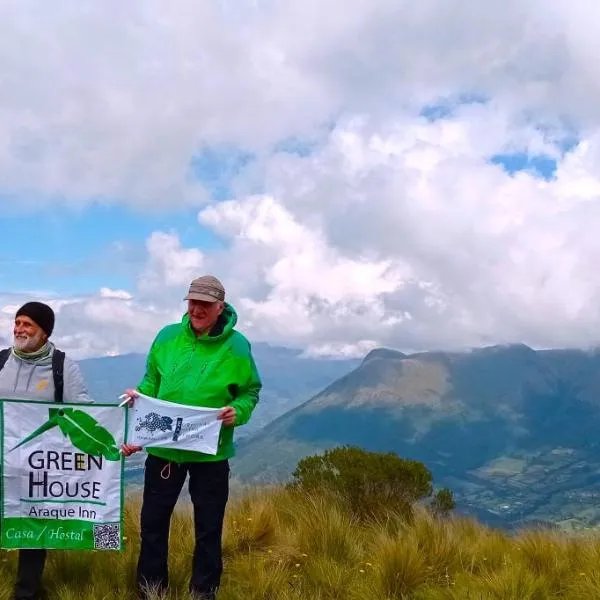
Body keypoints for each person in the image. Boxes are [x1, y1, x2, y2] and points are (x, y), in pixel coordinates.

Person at [121, 275, 262, 600]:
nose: (197, 309)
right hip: (165, 450)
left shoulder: (237, 345)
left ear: (220, 307)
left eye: (205, 304)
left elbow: (250, 391)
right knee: (153, 523)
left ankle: (203, 592)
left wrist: (236, 412)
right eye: (192, 302)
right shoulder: (167, 337)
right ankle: (151, 590)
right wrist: (138, 399)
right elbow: (150, 382)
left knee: (208, 528)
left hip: (211, 452)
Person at [0, 301, 93, 600]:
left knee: (32, 525)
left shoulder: (61, 366)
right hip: (2, 459)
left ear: (44, 332)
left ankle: (25, 591)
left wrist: (116, 433)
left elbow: (82, 409)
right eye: (18, 322)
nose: (19, 329)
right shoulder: (1, 361)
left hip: (37, 463)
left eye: (28, 325)